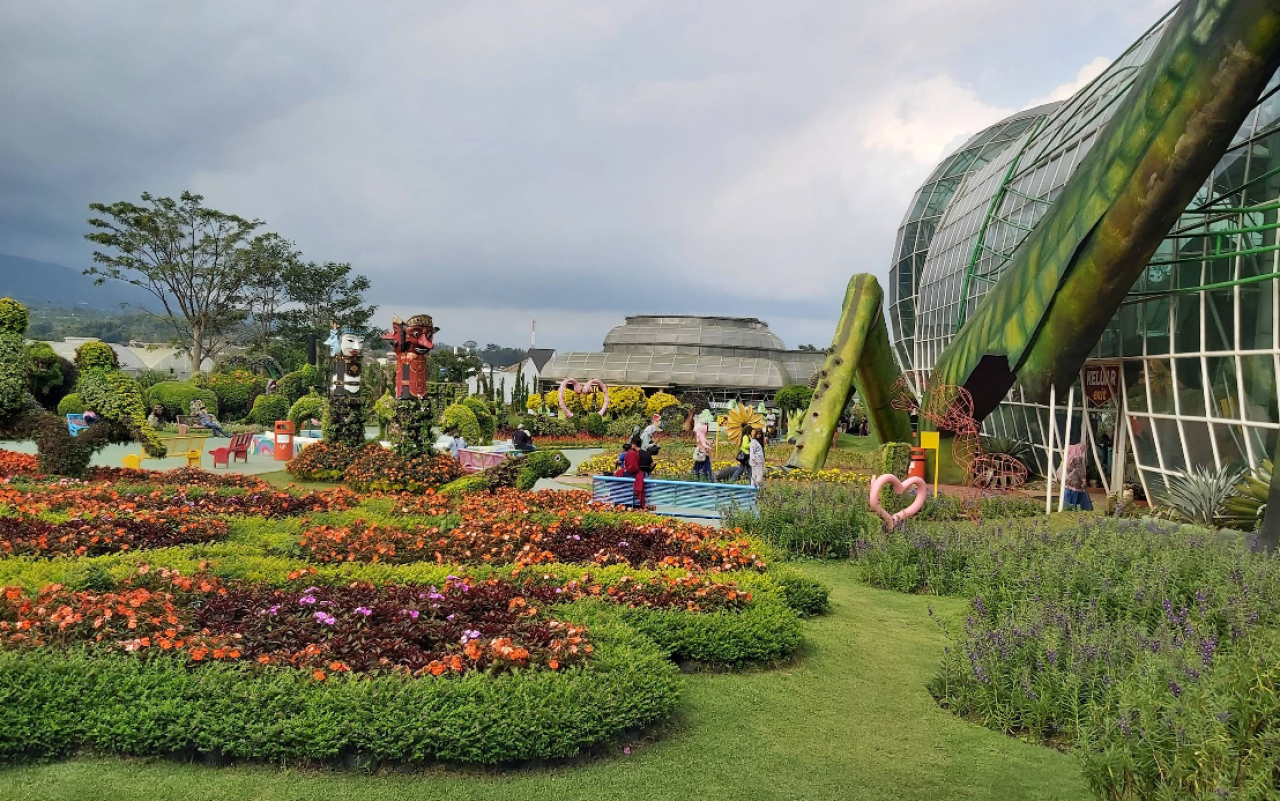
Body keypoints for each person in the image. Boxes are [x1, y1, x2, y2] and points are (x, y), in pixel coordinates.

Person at [1063, 442, 1093, 511]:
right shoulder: (1077, 458)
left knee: (1068, 496)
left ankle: (1067, 509)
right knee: (1076, 496)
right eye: (1083, 450)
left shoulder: (1068, 457)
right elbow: (1080, 470)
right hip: (1075, 482)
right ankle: (1077, 509)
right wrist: (1084, 480)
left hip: (1068, 482)